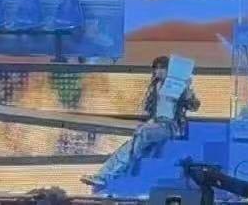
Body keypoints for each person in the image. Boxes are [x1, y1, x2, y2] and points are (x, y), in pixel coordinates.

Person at [85, 55, 201, 191]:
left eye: (162, 68)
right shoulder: (156, 87)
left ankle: (112, 173)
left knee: (141, 134)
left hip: (170, 127)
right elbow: (153, 112)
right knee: (130, 143)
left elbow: (194, 106)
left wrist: (187, 92)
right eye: (156, 68)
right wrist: (148, 123)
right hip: (156, 124)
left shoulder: (180, 87)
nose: (158, 71)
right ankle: (104, 175)